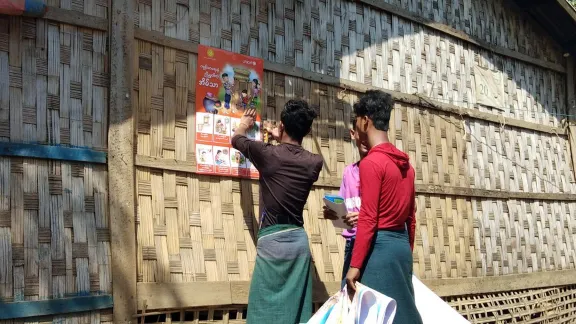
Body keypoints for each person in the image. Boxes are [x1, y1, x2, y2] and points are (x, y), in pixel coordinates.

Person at [231, 101, 323, 324]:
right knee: (295, 309)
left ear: (282, 125)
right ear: (308, 131)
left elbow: (237, 139)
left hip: (272, 242)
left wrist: (244, 123)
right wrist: (279, 137)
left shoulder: (268, 154)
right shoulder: (314, 162)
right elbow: (289, 156)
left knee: (263, 309)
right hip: (298, 243)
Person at [345, 90, 422, 324]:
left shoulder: (371, 164)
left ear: (365, 121)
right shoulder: (407, 167)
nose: (357, 127)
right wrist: (406, 253)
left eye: (357, 121)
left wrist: (355, 265)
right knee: (403, 315)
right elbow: (411, 218)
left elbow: (368, 217)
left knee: (378, 316)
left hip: (378, 252)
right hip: (401, 250)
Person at [323, 122, 368, 288]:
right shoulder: (349, 172)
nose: (364, 138)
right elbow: (343, 205)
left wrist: (364, 217)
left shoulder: (378, 170)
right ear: (352, 134)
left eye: (368, 134)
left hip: (372, 241)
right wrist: (332, 212)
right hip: (352, 242)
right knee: (348, 294)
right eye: (360, 133)